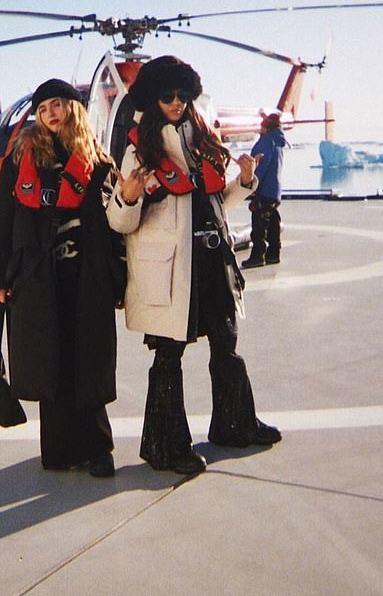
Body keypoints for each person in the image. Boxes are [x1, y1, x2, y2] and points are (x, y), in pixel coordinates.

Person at [107, 55, 281, 476]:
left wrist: (245, 180)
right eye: (167, 95)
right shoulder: (139, 151)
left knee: (226, 340)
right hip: (170, 268)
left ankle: (235, 424)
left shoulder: (200, 142)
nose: (177, 102)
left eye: (184, 95)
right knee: (169, 354)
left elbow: (217, 202)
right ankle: (165, 447)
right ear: (152, 98)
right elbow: (119, 221)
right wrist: (127, 196)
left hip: (211, 258)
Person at [0, 79, 125, 477]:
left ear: (72, 109)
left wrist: (119, 278)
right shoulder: (22, 158)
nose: (50, 113)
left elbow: (115, 225)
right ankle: (60, 449)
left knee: (89, 357)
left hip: (87, 274)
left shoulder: (96, 158)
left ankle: (98, 447)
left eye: (57, 105)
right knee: (51, 359)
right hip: (38, 278)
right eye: (43, 107)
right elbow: (4, 220)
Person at [242, 111, 288, 268]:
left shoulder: (266, 142)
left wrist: (253, 184)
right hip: (275, 190)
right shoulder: (278, 142)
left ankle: (257, 256)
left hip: (264, 190)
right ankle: (274, 254)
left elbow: (260, 165)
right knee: (273, 221)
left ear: (266, 128)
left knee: (259, 225)